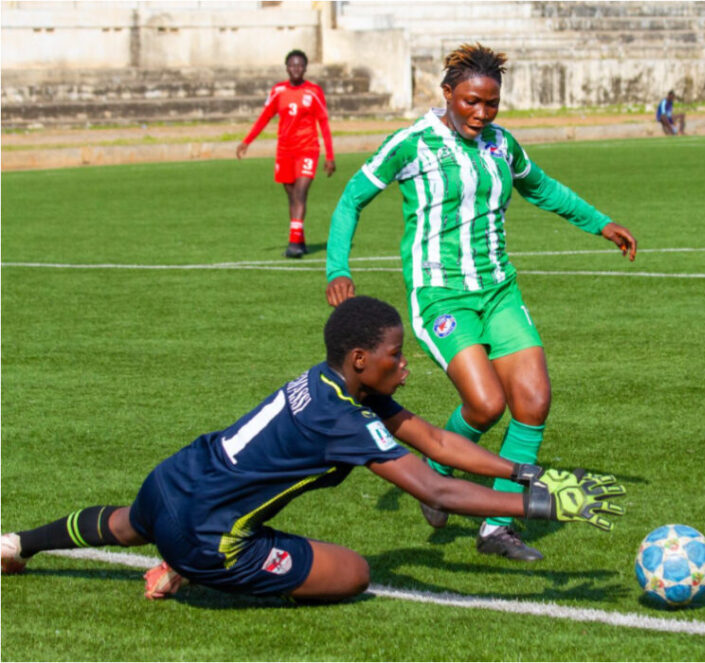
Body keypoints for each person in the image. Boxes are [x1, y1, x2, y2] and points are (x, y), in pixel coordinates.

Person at [0, 296, 624, 602]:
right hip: (205, 532)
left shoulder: (330, 381)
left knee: (128, 524)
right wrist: (539, 506)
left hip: (172, 479)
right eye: (395, 356)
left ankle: (16, 544)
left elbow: (435, 441)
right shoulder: (341, 420)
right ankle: (189, 564)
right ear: (361, 360)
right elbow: (434, 487)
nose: (405, 366)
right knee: (352, 573)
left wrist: (525, 469)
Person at [323, 44, 637, 562]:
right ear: (447, 93)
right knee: (486, 404)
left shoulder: (500, 144)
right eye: (471, 101)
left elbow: (542, 187)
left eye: (491, 104)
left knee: (533, 400)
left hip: (499, 290)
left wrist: (599, 222)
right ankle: (437, 473)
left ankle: (497, 527)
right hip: (440, 293)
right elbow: (352, 198)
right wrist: (338, 267)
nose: (481, 113)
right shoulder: (412, 143)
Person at [237, 49, 336, 258]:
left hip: (307, 149)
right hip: (285, 151)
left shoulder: (314, 92)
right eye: (292, 65)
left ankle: (293, 244)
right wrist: (247, 141)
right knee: (291, 196)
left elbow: (324, 123)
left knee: (300, 193)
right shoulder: (278, 91)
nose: (296, 69)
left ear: (305, 68)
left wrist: (329, 155)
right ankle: (300, 241)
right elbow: (265, 117)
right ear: (287, 68)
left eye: (300, 65)